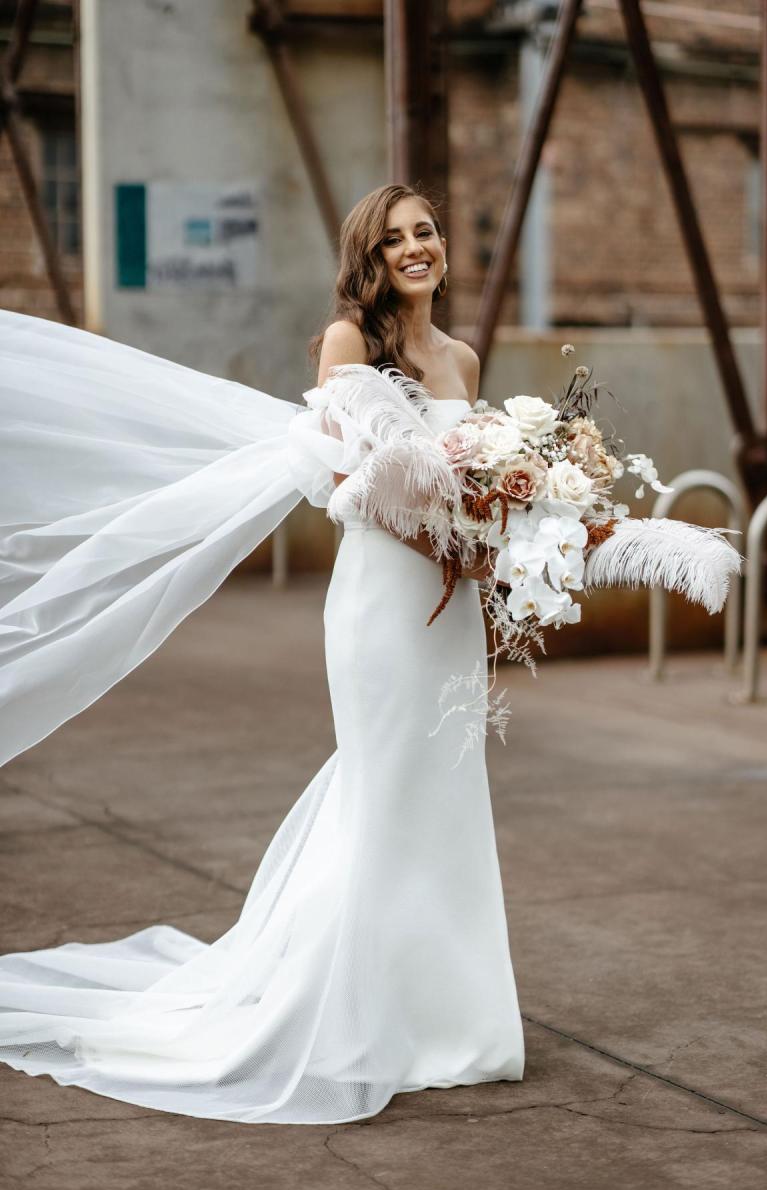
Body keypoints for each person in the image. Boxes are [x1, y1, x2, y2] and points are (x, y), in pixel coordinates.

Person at [0, 184, 525, 1124]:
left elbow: (471, 480)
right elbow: (346, 486)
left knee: (445, 790)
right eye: (397, 238)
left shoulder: (462, 357)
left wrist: (496, 536)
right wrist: (448, 535)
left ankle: (453, 1019)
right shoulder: (349, 345)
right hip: (382, 602)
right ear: (371, 255)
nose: (417, 249)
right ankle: (355, 1017)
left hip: (452, 609)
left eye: (428, 232)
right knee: (384, 785)